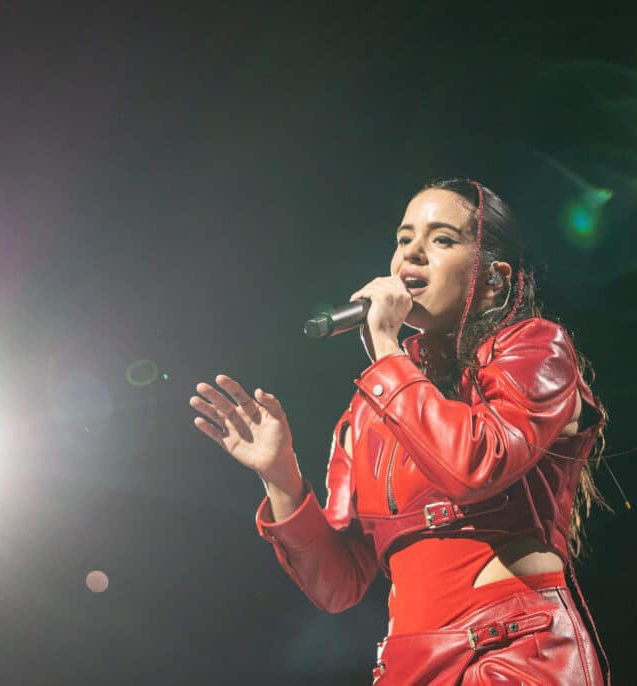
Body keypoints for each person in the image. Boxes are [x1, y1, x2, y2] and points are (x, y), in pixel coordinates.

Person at [189, 178, 609, 685]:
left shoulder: (536, 348)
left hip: (510, 651)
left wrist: (385, 347)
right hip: (409, 667)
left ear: (495, 278)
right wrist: (281, 477)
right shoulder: (373, 406)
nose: (411, 253)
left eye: (442, 239)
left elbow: (476, 466)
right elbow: (338, 585)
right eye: (404, 238)